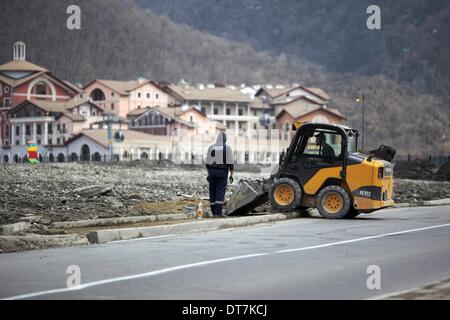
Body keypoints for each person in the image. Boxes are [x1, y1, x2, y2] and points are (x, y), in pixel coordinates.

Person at [206, 131, 234, 217]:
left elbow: (207, 162)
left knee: (212, 192)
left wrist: (209, 173)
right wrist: (231, 174)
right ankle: (218, 213)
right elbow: (230, 162)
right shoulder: (227, 148)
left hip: (211, 172)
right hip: (222, 173)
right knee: (220, 192)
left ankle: (214, 212)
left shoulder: (211, 147)